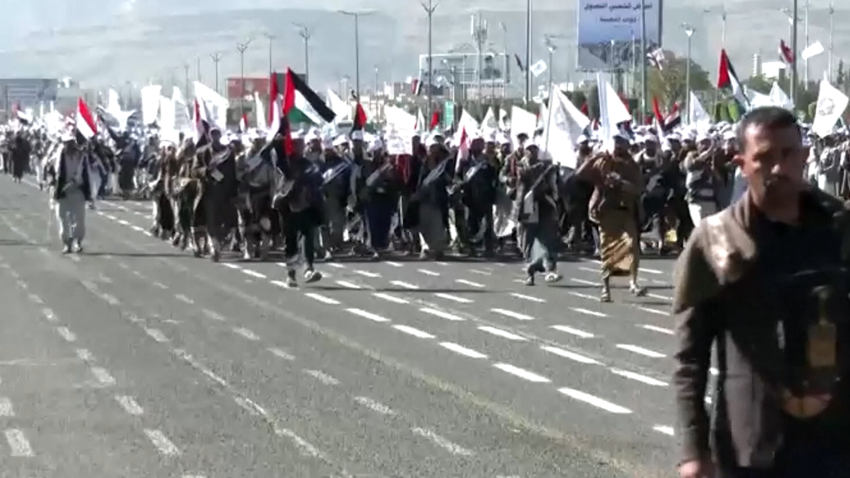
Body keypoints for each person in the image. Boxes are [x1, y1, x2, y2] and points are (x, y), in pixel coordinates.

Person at [672, 106, 850, 478]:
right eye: (763, 157)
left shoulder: (840, 228)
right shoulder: (716, 240)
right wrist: (693, 450)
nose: (778, 168)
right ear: (741, 163)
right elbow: (690, 358)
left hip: (834, 439)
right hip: (750, 444)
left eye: (787, 155)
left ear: (803, 157)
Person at [48, 133, 92, 254]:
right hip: (63, 191)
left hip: (78, 190)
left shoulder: (82, 157)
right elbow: (50, 169)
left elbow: (87, 174)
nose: (69, 146)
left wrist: (89, 193)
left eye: (72, 143)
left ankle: (77, 241)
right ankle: (66, 243)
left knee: (79, 219)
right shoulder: (57, 156)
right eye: (67, 143)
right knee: (62, 218)